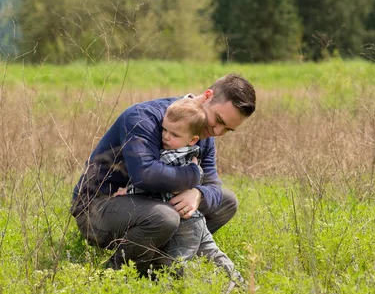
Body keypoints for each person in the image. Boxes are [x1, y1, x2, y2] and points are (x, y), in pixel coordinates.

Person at [71, 73, 256, 275]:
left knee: (227, 201)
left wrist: (198, 194)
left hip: (150, 204)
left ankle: (165, 262)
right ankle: (118, 273)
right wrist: (193, 177)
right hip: (99, 207)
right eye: (218, 120)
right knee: (164, 217)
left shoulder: (204, 134)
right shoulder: (142, 117)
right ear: (208, 96)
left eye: (227, 129)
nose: (218, 131)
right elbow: (146, 175)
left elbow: (213, 185)